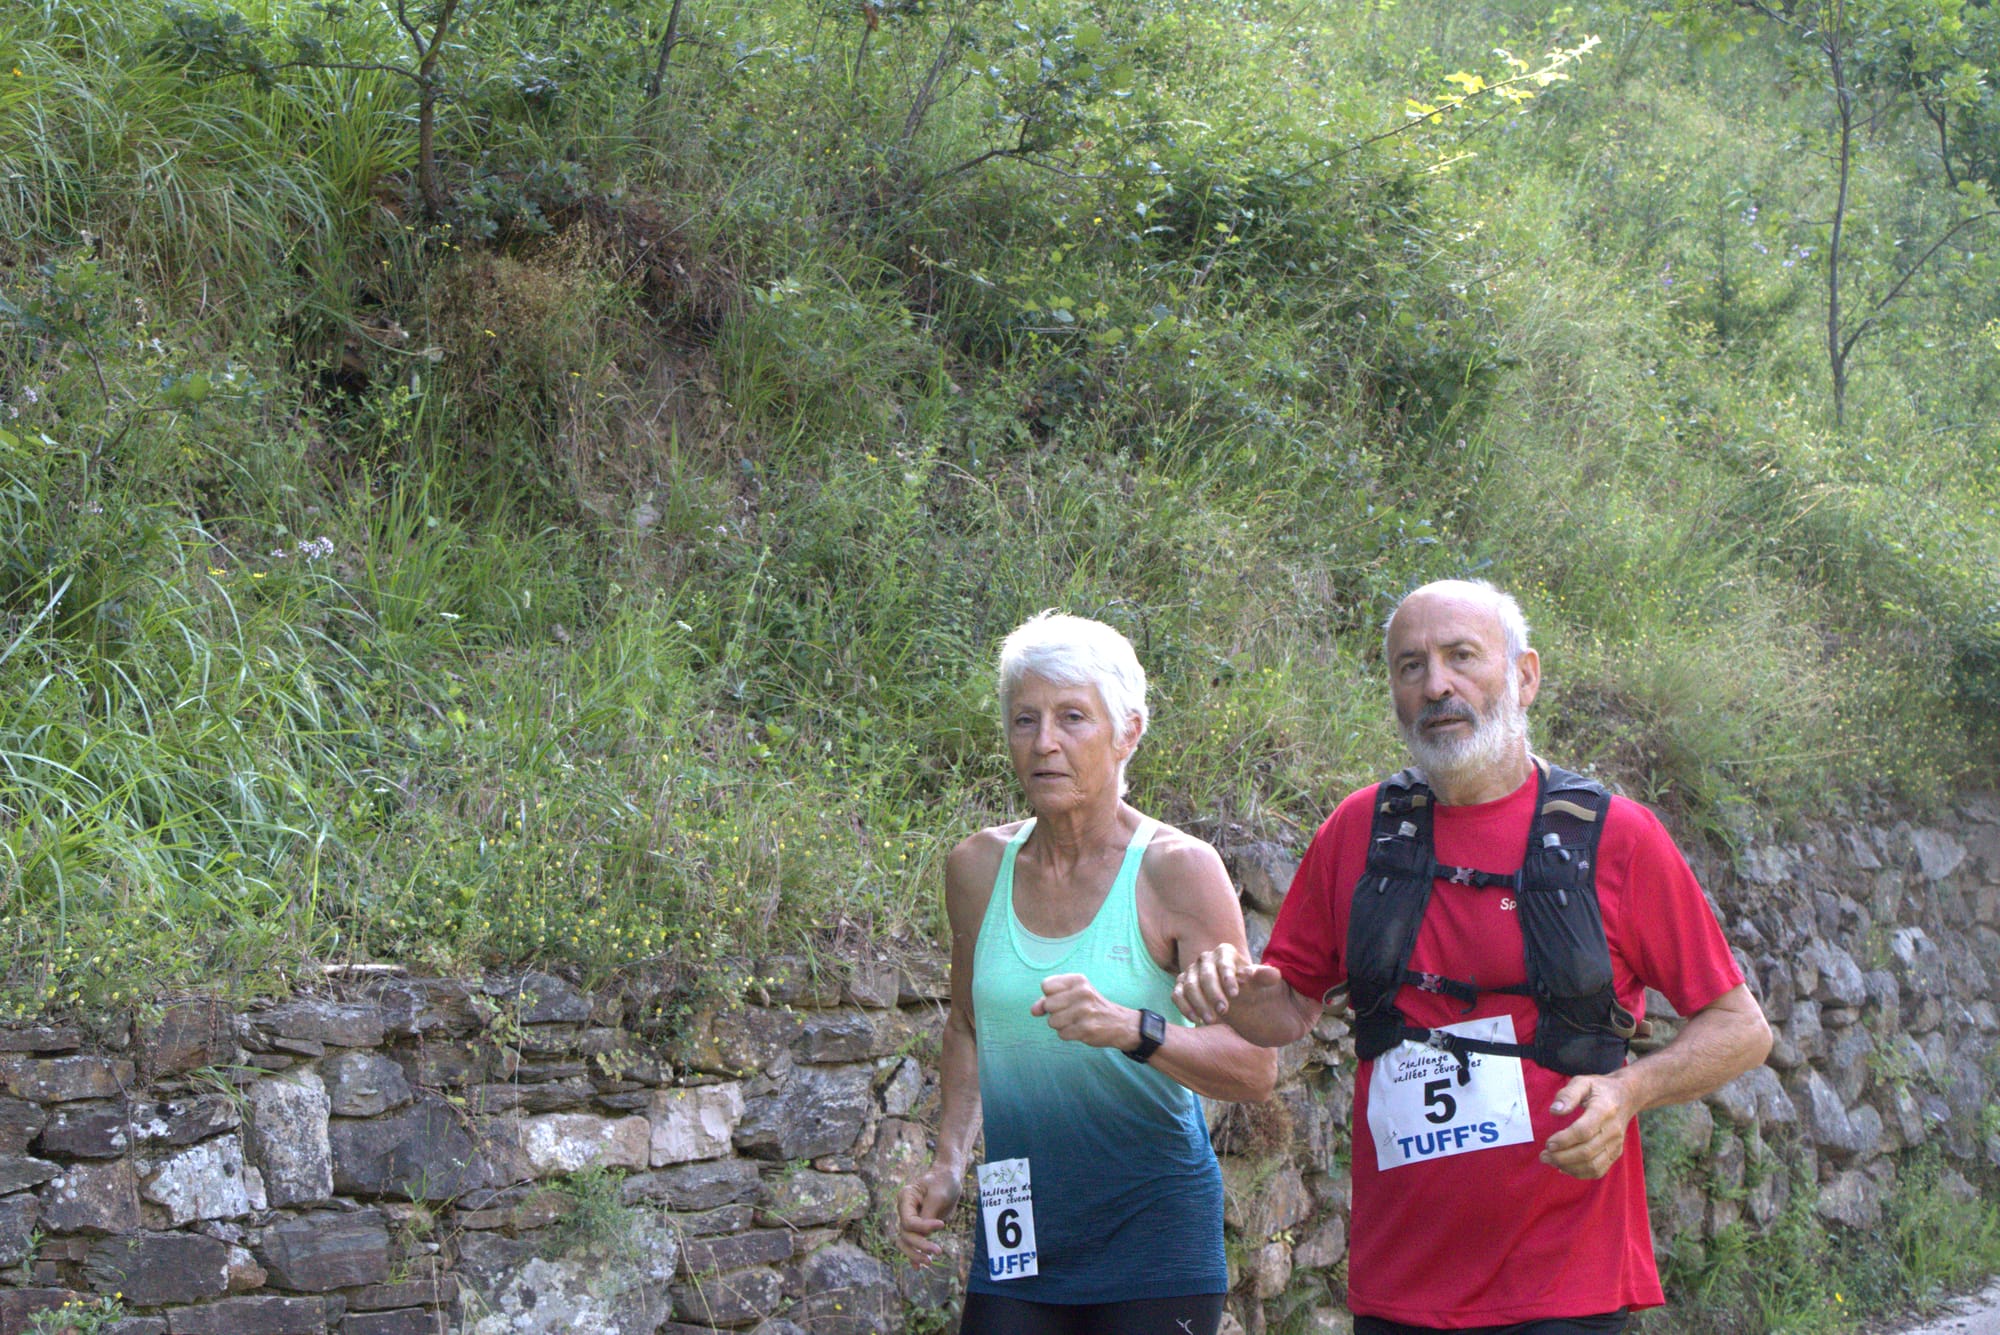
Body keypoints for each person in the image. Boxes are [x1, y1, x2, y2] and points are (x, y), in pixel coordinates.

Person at [1174, 579, 1772, 1335]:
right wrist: (1224, 988)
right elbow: (1285, 1008)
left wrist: (1630, 1092)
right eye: (1411, 666)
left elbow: (1741, 1026)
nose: (1437, 685)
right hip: (1399, 1282)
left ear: (1524, 676)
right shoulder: (1358, 830)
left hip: (1565, 1280)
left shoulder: (1616, 838)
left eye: (1462, 657)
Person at [893, 612, 1277, 1335]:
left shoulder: (1177, 869)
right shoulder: (976, 868)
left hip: (1152, 1235)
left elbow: (1255, 1067)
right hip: (1020, 1231)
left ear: (1128, 731)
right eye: (1024, 720)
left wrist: (1135, 1028)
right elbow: (968, 1027)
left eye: (1073, 717)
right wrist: (947, 1162)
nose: (1044, 743)